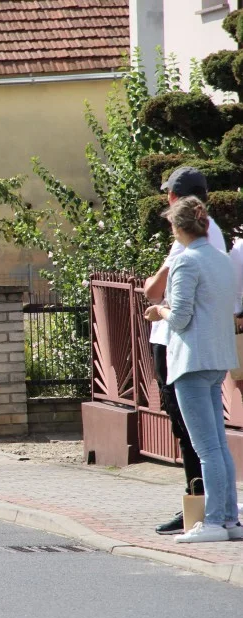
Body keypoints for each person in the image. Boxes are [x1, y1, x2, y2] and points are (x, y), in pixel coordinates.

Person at [145, 196, 241, 543]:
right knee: (217, 443)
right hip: (217, 358)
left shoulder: (185, 262)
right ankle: (230, 520)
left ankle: (214, 522)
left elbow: (181, 317)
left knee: (206, 448)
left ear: (177, 227)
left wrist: (160, 311)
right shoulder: (220, 259)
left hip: (192, 361)